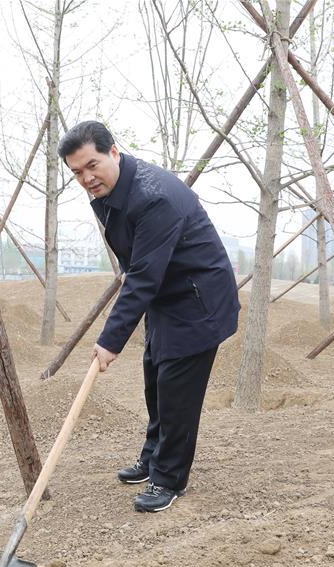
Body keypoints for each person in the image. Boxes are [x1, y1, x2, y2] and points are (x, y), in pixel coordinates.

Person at [58, 121, 240, 513]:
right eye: (77, 172)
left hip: (197, 300)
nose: (87, 178)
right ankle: (153, 456)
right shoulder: (112, 191)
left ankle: (169, 479)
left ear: (114, 153)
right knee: (155, 382)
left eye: (92, 165)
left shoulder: (153, 197)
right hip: (166, 297)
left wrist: (109, 341)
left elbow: (141, 277)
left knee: (177, 393)